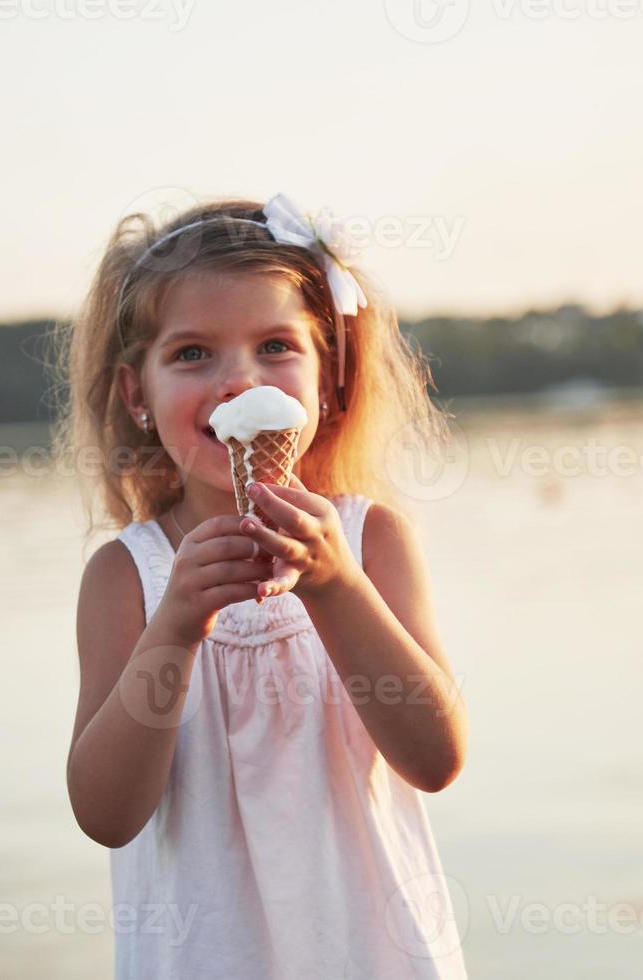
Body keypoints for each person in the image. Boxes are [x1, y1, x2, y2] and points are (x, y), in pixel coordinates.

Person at [52, 192, 470, 978]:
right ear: (136, 395)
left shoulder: (368, 541)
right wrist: (171, 630)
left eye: (276, 345)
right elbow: (106, 814)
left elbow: (436, 758)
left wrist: (338, 589)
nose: (238, 381)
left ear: (330, 377)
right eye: (191, 354)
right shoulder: (127, 575)